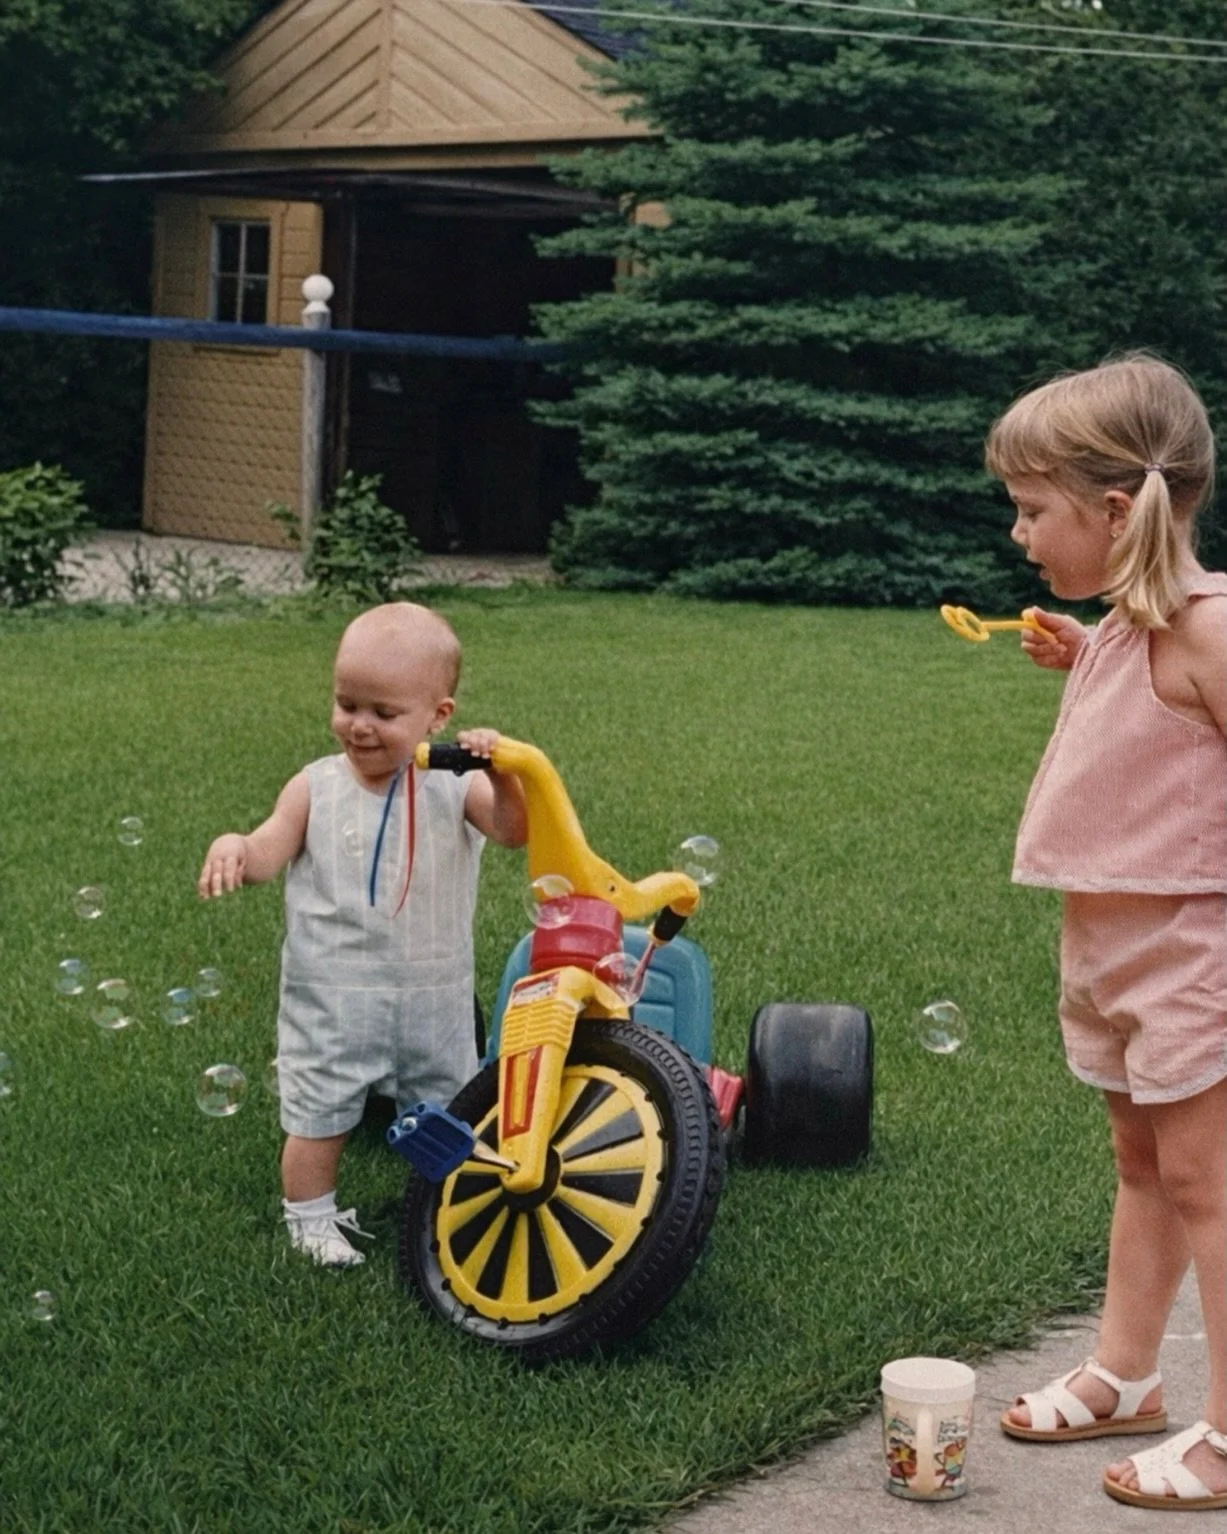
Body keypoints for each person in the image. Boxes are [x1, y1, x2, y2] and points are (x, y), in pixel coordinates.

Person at [980, 354, 1227, 1510]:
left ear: (1118, 511)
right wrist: (1087, 660)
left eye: (1035, 511)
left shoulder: (1208, 628)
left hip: (1191, 950)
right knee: (1141, 1164)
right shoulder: (1129, 627)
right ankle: (1128, 1373)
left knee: (1209, 1181)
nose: (1022, 537)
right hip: (1112, 943)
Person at [197, 602, 527, 1269]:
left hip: (432, 997)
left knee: (449, 1114)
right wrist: (236, 844)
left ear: (438, 716)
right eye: (347, 704)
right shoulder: (314, 787)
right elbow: (266, 850)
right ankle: (310, 1219)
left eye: (384, 712)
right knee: (320, 1115)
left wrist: (501, 772)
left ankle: (446, 1212)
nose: (360, 726)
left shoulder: (452, 784)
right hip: (332, 997)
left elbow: (512, 830)